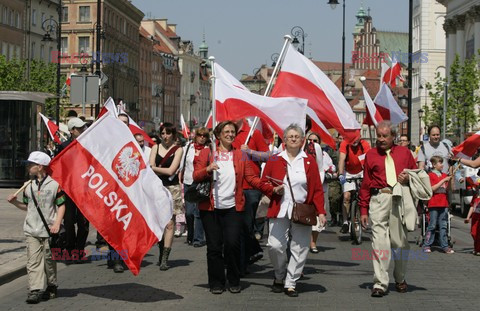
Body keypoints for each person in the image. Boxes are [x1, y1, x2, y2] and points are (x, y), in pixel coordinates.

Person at [193, 121, 280, 294]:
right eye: (226, 131)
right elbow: (195, 176)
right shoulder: (206, 153)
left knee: (232, 244)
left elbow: (252, 178)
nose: (230, 134)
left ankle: (233, 279)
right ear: (218, 135)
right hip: (210, 208)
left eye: (233, 131)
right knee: (214, 247)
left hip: (233, 207)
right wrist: (208, 169)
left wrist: (271, 189)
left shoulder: (240, 155)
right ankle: (216, 282)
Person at [262, 124, 326, 297]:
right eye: (290, 136)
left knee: (300, 247)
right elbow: (264, 182)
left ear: (302, 140)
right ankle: (279, 274)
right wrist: (272, 190)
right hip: (279, 208)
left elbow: (317, 189)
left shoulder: (309, 161)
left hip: (302, 209)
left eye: (297, 136)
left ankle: (290, 282)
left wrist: (321, 212)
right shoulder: (275, 159)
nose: (293, 139)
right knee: (275, 245)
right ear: (284, 139)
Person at [358, 121, 417, 298]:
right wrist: (363, 209)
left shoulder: (405, 153)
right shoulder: (371, 155)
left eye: (385, 136)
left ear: (393, 137)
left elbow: (416, 175)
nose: (381, 139)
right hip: (379, 199)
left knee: (400, 243)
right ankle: (380, 283)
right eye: (379, 136)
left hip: (399, 198)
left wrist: (408, 177)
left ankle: (400, 278)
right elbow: (366, 183)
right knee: (379, 243)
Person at [7, 151, 66, 304]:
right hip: (31, 229)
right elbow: (27, 207)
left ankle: (52, 286)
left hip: (49, 231)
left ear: (40, 167)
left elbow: (61, 206)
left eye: (31, 165)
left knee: (49, 261)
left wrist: (57, 223)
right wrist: (14, 202)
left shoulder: (54, 184)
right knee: (33, 261)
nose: (28, 167)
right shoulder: (27, 186)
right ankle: (35, 290)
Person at [232, 119, 271, 275]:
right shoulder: (226, 133)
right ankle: (248, 253)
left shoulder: (253, 133)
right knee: (234, 227)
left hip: (250, 187)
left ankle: (243, 262)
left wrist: (250, 152)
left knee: (246, 226)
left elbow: (269, 156)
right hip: (230, 187)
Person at [149, 122, 183, 271]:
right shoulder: (155, 148)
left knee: (169, 223)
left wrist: (155, 169)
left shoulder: (178, 150)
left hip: (172, 189)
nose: (165, 136)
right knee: (158, 223)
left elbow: (171, 171)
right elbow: (150, 170)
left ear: (173, 135)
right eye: (163, 133)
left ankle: (164, 259)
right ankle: (161, 249)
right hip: (156, 188)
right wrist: (158, 169)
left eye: (168, 133)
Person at [57, 118, 89, 264]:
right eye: (79, 128)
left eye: (83, 128)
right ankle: (70, 249)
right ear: (71, 130)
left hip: (85, 189)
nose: (82, 130)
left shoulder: (89, 145)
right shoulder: (63, 146)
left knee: (83, 222)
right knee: (69, 220)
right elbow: (58, 167)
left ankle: (80, 250)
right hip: (68, 189)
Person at [179, 127, 209, 247]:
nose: (202, 138)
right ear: (196, 136)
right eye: (200, 135)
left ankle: (198, 239)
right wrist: (179, 178)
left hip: (201, 183)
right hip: (188, 181)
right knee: (189, 213)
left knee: (198, 212)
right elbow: (182, 165)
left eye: (204, 136)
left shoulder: (208, 149)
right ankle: (190, 234)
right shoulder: (187, 148)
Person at [305, 132, 335, 253]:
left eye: (315, 140)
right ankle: (303, 241)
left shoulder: (325, 155)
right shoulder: (302, 154)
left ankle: (313, 242)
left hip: (320, 191)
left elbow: (332, 168)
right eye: (309, 140)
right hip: (305, 192)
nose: (312, 143)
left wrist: (328, 173)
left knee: (318, 218)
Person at [338, 137, 371, 233]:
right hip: (348, 172)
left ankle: (362, 218)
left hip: (361, 171)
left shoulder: (364, 144)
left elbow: (368, 159)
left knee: (363, 196)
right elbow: (341, 159)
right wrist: (340, 174)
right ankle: (345, 222)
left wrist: (368, 175)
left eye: (357, 138)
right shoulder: (345, 143)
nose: (355, 141)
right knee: (346, 196)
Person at [423, 156, 454, 254]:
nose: (442, 165)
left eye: (442, 163)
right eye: (440, 163)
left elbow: (449, 189)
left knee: (443, 225)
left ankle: (444, 245)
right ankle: (427, 244)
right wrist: (442, 181)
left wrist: (450, 180)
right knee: (432, 225)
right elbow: (432, 188)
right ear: (434, 165)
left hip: (443, 203)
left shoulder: (445, 175)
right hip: (433, 203)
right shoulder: (430, 175)